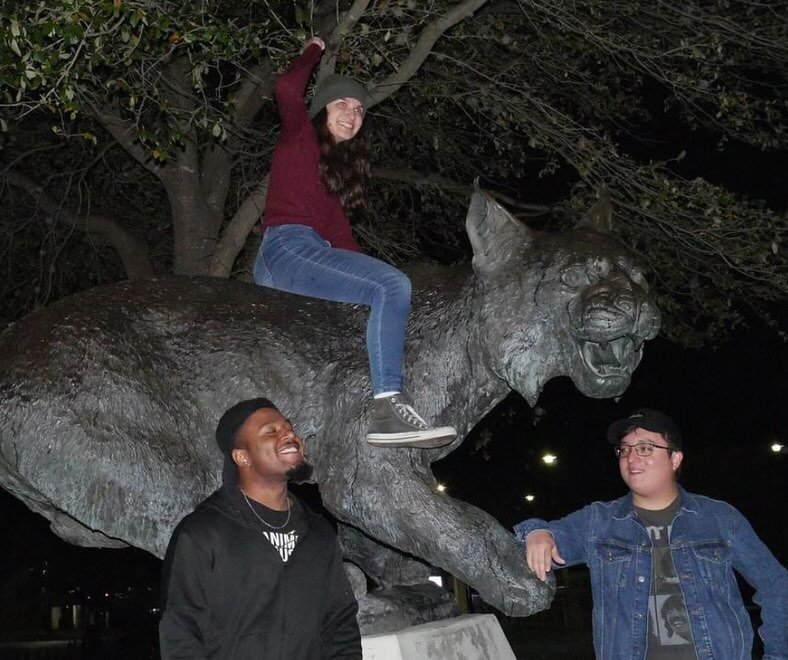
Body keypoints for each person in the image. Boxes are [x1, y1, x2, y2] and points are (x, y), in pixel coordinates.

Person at [253, 34, 455, 449]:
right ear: (321, 109)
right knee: (392, 284)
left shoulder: (334, 177)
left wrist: (378, 289)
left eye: (360, 109)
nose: (352, 113)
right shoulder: (299, 137)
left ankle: (348, 414)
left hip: (305, 256)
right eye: (342, 104)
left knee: (379, 293)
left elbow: (344, 244)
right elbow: (287, 88)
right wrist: (313, 49)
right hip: (287, 247)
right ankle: (387, 406)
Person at [514, 408, 788, 660]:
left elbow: (777, 586)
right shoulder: (597, 521)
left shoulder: (720, 518)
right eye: (624, 450)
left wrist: (776, 655)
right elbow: (543, 537)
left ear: (675, 458)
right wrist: (537, 531)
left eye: (645, 448)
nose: (631, 458)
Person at [159, 398, 362, 660]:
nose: (290, 433)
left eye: (289, 427)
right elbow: (181, 634)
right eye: (271, 431)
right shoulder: (202, 532)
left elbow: (340, 624)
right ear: (242, 457)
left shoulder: (318, 532)